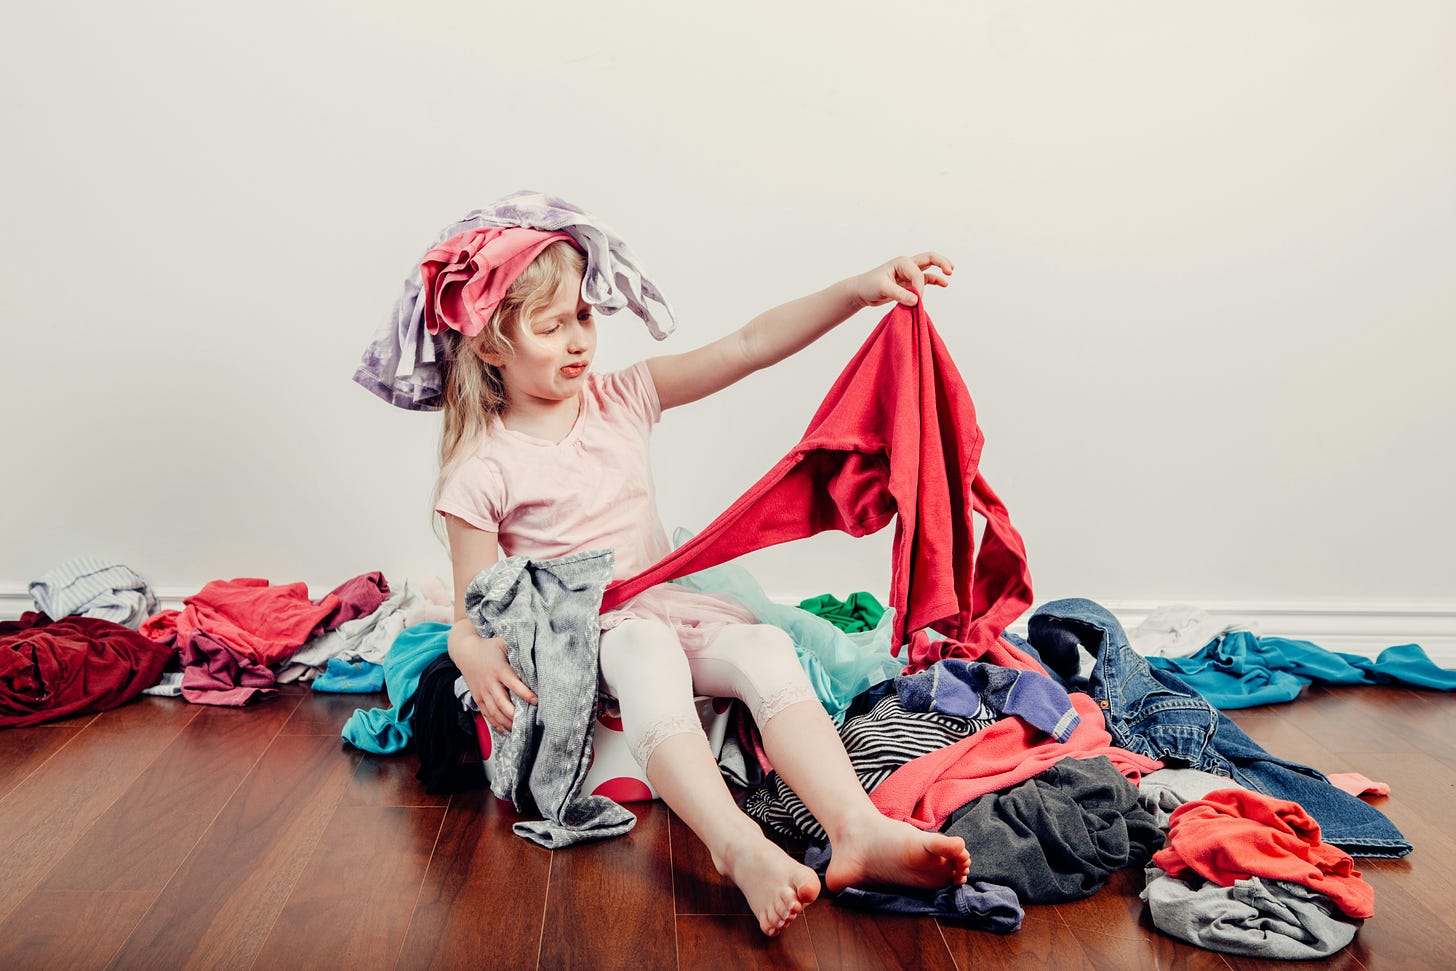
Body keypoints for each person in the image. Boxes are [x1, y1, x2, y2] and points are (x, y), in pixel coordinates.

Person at [433, 227, 971, 936]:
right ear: (491, 345)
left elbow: (746, 346)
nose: (577, 340)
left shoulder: (622, 398)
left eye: (585, 316)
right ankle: (738, 847)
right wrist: (469, 651)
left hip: (660, 602)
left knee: (765, 646)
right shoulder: (483, 469)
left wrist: (857, 291)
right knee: (651, 648)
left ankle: (857, 829)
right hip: (582, 640)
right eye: (550, 325)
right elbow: (474, 612)